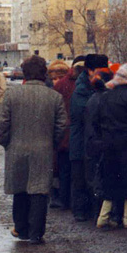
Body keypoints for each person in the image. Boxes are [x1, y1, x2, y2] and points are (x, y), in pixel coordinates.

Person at [0, 55, 68, 244]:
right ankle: (37, 233)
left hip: (16, 148)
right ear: (44, 74)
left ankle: (21, 229)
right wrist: (50, 143)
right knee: (39, 191)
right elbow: (62, 125)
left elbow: (2, 123)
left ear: (24, 73)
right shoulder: (54, 97)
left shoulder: (12, 95)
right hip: (43, 149)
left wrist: (6, 143)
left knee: (20, 189)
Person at [91, 61, 127, 230]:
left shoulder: (106, 95)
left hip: (108, 144)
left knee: (110, 179)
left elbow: (96, 120)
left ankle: (103, 217)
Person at [69, 53, 108, 221]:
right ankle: (80, 211)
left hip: (92, 140)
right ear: (91, 71)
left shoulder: (96, 86)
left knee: (93, 176)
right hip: (81, 141)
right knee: (80, 177)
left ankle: (92, 210)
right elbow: (84, 114)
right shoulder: (81, 89)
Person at [47, 60, 76, 210]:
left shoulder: (62, 89)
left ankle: (62, 197)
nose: (55, 81)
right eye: (52, 79)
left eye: (58, 78)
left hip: (64, 134)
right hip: (60, 135)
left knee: (63, 167)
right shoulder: (51, 91)